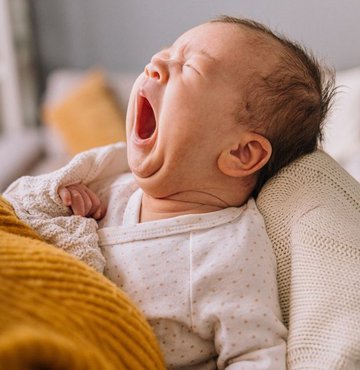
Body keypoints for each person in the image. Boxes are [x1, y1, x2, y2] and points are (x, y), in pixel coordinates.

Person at [4, 16, 335, 369]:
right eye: (166, 52)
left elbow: (256, 355)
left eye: (189, 67)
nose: (156, 64)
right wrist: (56, 199)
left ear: (241, 154)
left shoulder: (228, 251)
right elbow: (15, 209)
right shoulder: (109, 178)